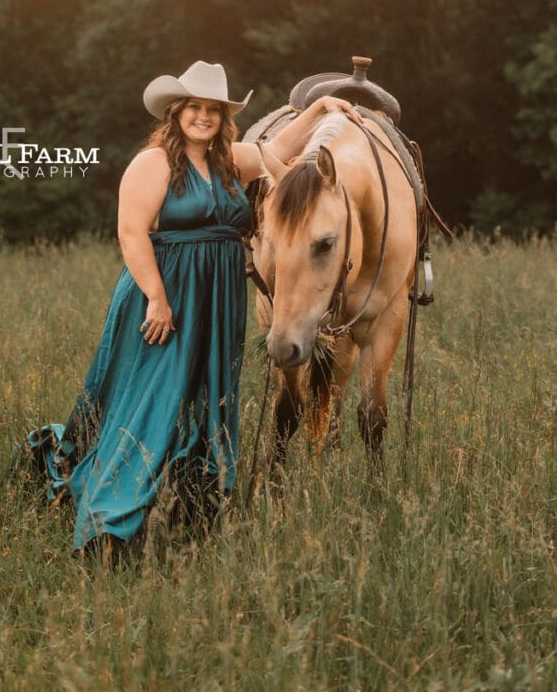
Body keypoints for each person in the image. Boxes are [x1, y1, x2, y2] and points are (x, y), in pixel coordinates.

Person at [28, 60, 360, 553]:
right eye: (194, 108)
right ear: (176, 112)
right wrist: (157, 300)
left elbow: (283, 149)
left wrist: (319, 108)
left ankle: (192, 505)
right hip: (168, 290)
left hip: (220, 298)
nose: (203, 117)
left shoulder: (230, 161)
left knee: (206, 393)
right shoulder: (153, 162)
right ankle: (112, 522)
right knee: (154, 396)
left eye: (213, 110)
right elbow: (130, 232)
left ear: (224, 117)